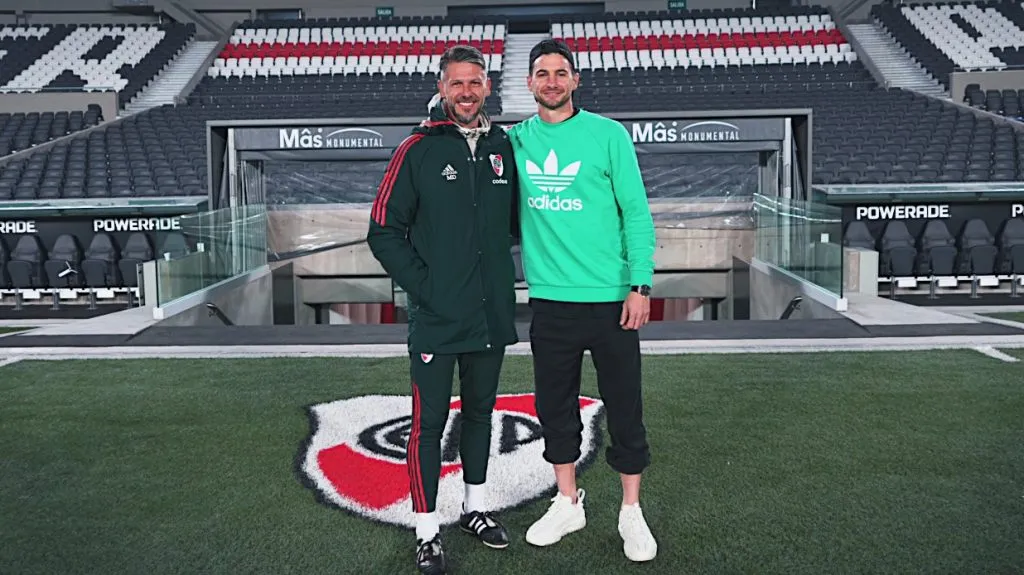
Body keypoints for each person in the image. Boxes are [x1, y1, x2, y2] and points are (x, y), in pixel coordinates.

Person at [366, 44, 520, 575]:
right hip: (436, 317)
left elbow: (520, 226)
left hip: (491, 316)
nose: (466, 92)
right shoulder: (418, 148)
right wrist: (425, 288)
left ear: (487, 87)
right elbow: (382, 230)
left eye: (475, 82)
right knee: (428, 425)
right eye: (457, 83)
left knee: (480, 415)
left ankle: (476, 508)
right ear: (442, 87)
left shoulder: (504, 146)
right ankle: (427, 532)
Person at [506, 39, 659, 562]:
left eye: (561, 73)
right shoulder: (515, 142)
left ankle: (631, 511)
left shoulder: (608, 135)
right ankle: (568, 501)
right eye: (542, 73)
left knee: (625, 409)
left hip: (614, 301)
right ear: (529, 83)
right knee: (555, 410)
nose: (551, 81)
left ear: (575, 82)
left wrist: (640, 285)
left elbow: (636, 214)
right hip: (550, 302)